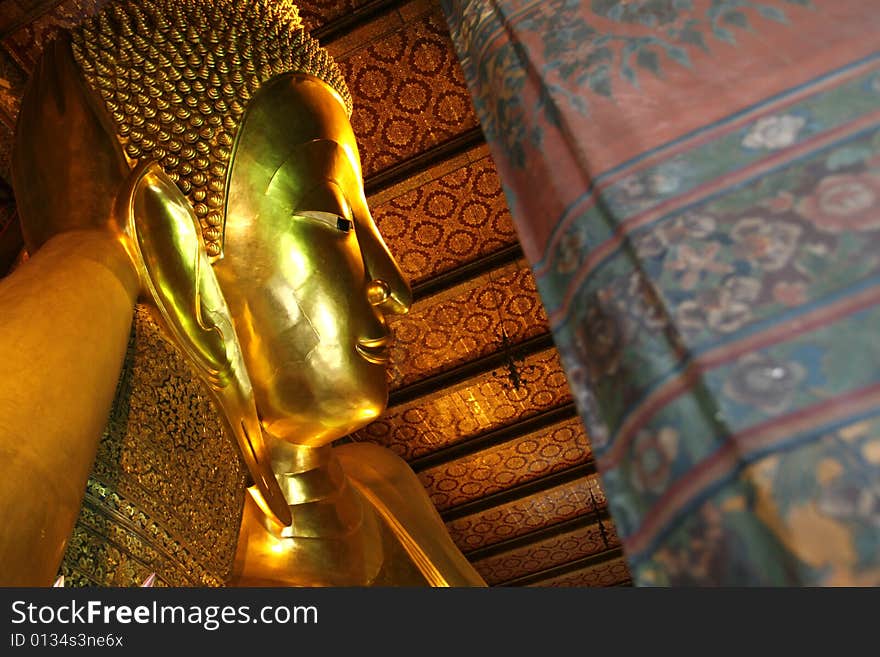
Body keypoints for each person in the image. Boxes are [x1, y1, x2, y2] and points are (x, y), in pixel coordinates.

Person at [0, 0, 484, 587]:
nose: (395, 288)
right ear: (179, 268)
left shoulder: (385, 486)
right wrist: (93, 253)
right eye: (337, 221)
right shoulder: (161, 527)